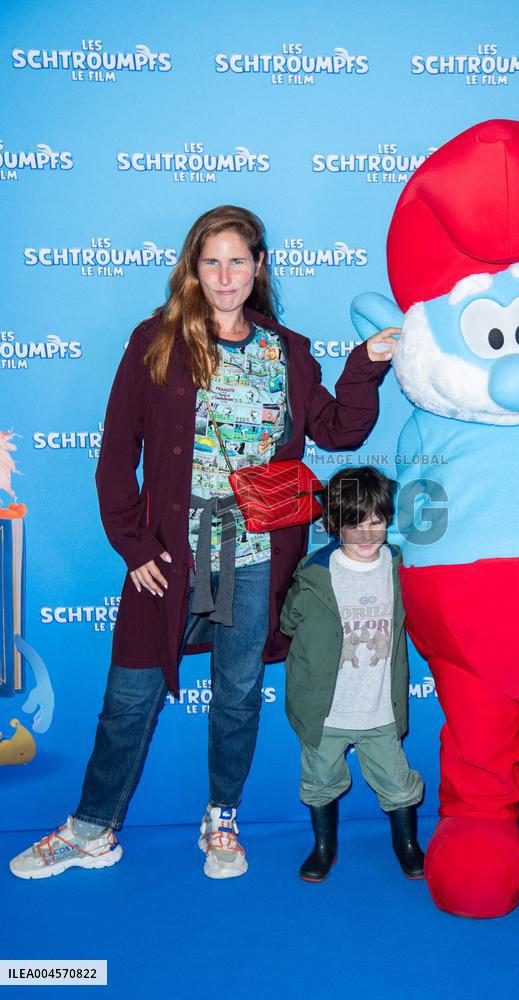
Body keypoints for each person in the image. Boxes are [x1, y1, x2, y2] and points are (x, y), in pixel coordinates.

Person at [9, 206, 397, 881]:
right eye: (211, 261)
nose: (225, 275)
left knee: (239, 692)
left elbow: (338, 431)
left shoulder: (287, 351)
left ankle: (222, 817)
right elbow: (114, 456)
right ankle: (91, 828)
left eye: (237, 261)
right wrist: (133, 546)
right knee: (130, 693)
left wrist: (365, 365)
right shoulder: (156, 341)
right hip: (171, 556)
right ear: (192, 268)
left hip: (255, 558)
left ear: (258, 267)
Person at [280, 466, 425, 882]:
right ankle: (323, 847)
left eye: (375, 522)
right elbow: (290, 622)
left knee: (398, 785)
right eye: (354, 524)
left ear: (388, 519)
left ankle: (407, 844)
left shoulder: (399, 567)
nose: (365, 535)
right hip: (325, 711)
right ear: (334, 524)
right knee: (319, 781)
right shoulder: (313, 573)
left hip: (380, 709)